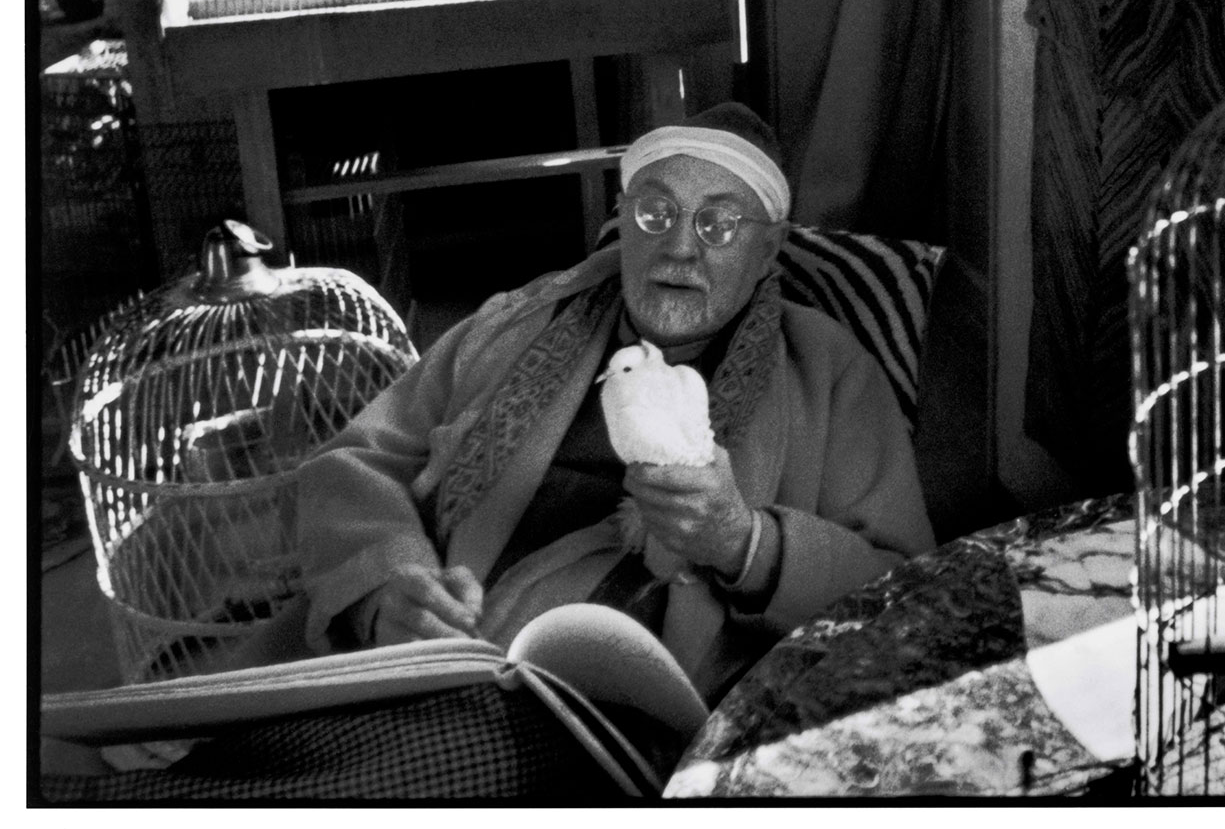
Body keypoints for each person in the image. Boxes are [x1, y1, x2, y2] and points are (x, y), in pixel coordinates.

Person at [292, 103, 935, 704]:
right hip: (434, 659)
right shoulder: (515, 325)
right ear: (623, 218)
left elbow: (907, 591)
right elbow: (352, 465)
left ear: (768, 249)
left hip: (628, 708)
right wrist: (387, 590)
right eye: (656, 213)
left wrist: (744, 541)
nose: (681, 248)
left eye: (720, 224)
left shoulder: (829, 371)